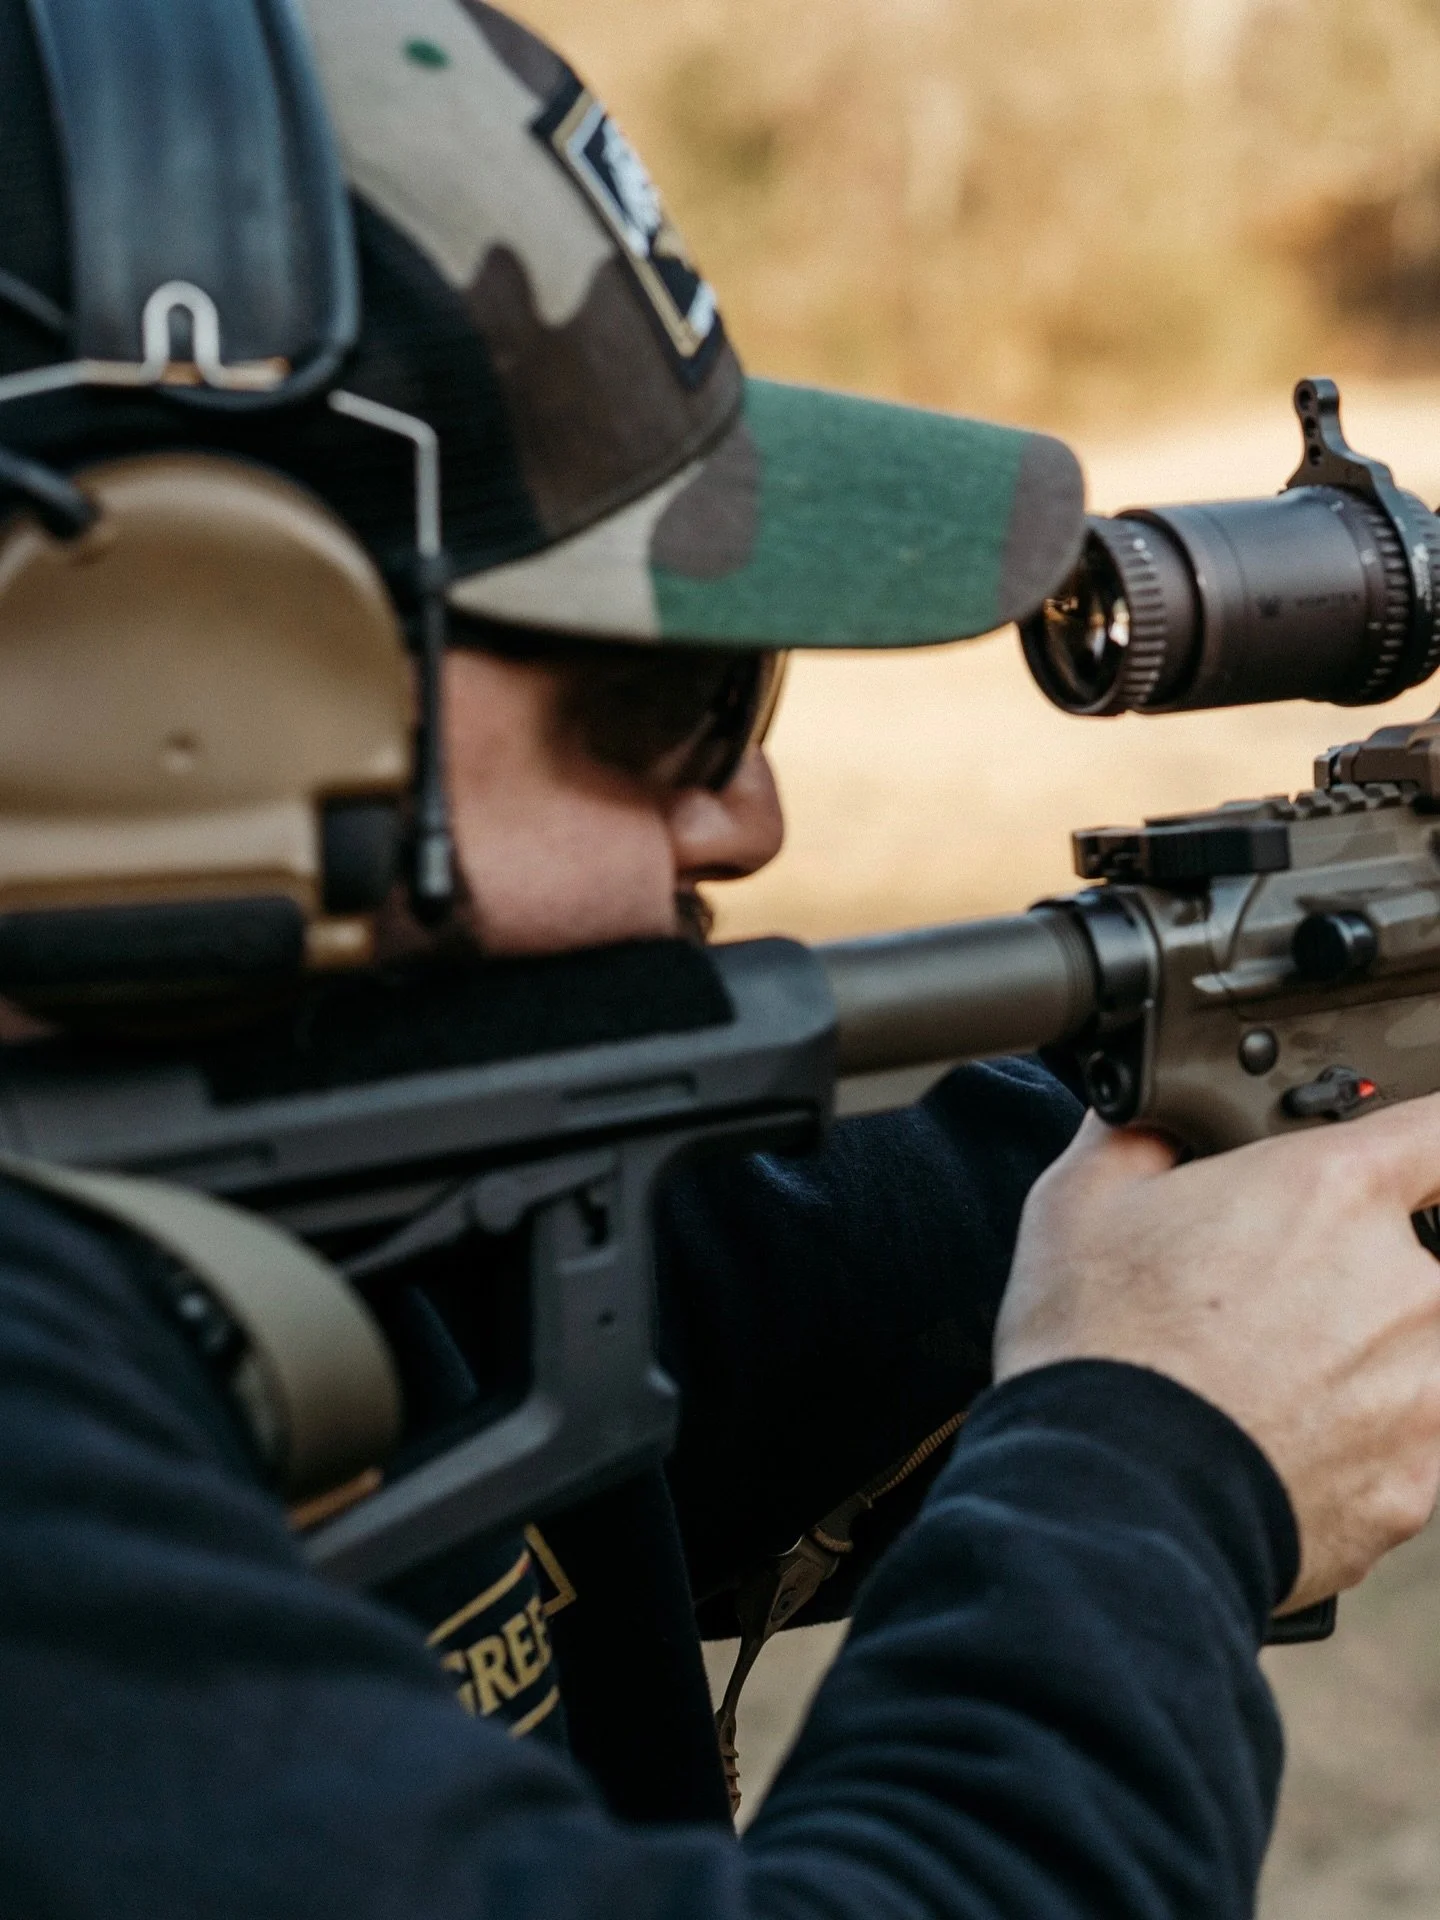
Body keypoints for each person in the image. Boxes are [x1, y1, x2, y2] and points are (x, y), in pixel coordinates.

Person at [3, 4, 1440, 1917]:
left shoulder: (251, 1159)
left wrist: (1302, 1098)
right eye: (671, 696)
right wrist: (1155, 1473)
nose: (744, 815)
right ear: (152, 701)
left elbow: (787, 1271)